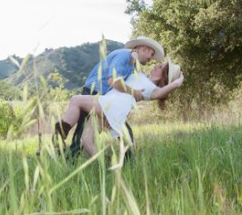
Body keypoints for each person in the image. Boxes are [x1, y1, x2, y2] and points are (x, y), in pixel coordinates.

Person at [54, 60, 183, 156]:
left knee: (76, 100)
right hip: (110, 106)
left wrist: (177, 83)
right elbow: (132, 60)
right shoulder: (142, 76)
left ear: (164, 76)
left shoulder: (153, 89)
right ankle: (106, 167)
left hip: (112, 105)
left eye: (160, 67)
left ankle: (59, 136)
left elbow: (162, 92)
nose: (156, 65)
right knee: (86, 140)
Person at [67, 37, 165, 159]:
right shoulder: (123, 55)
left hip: (106, 99)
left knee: (119, 132)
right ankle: (71, 158)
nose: (151, 60)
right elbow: (113, 81)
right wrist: (133, 93)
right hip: (95, 91)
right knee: (83, 130)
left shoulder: (133, 67)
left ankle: (126, 160)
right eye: (151, 55)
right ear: (144, 48)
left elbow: (126, 98)